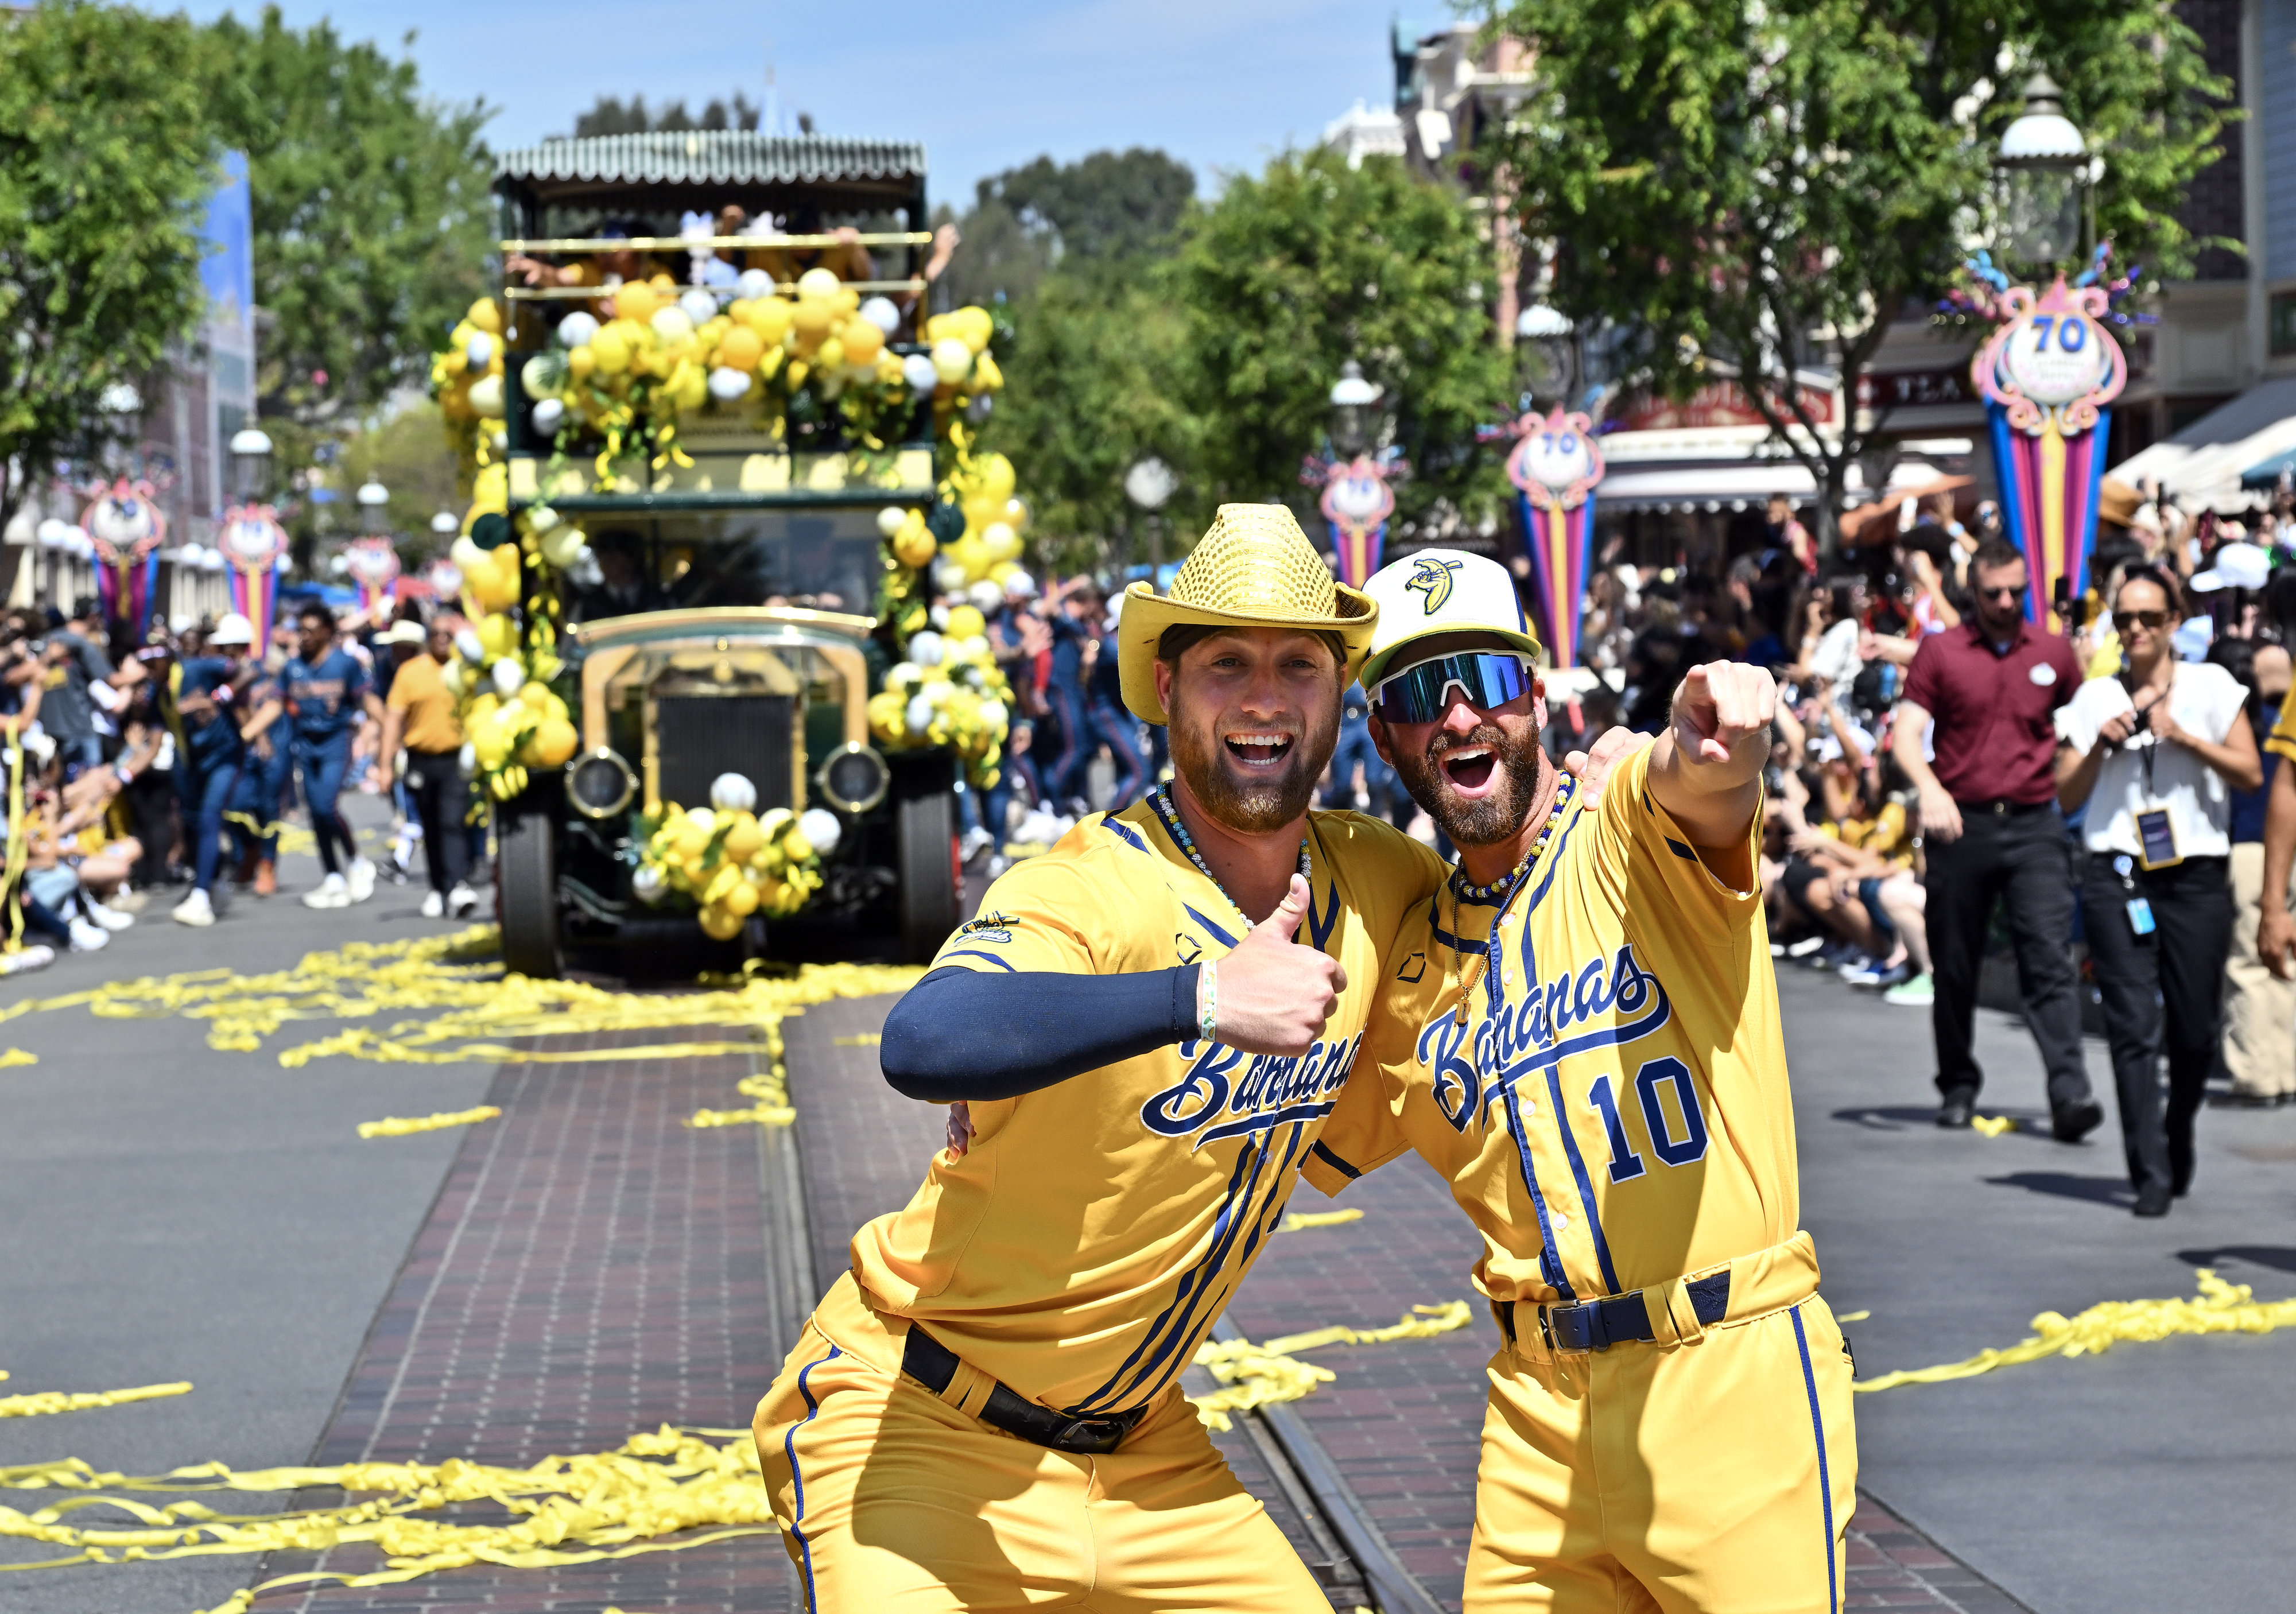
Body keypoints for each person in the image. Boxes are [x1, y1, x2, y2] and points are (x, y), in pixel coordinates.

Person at [748, 505, 1445, 1612]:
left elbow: (1517, 898)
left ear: (1338, 694)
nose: (1264, 695)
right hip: (922, 1427)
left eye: (1298, 665)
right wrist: (1205, 995)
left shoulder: (1382, 877)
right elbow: (925, 1039)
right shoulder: (1085, 884)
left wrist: (1597, 791)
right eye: (1226, 661)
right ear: (1166, 690)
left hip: (1149, 1457)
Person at [1312, 548, 1853, 1613]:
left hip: (1726, 1371)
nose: (1460, 717)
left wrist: (1719, 742)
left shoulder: (1623, 836)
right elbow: (1268, 1140)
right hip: (1536, 1411)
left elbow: (1693, 788)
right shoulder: (1411, 971)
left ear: (1538, 689)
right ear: (1385, 737)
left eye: (1488, 680)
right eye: (1421, 693)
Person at [2054, 567, 2258, 1213]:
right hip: (2118, 871)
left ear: (2173, 621)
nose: (2136, 629)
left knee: (2194, 1029)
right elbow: (2065, 793)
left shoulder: (2211, 685)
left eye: (2148, 618)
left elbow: (2251, 772)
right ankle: (2148, 1169)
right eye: (2124, 619)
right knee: (2132, 1024)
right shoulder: (2092, 698)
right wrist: (2099, 748)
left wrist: (2186, 736)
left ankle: (2176, 1131)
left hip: (2194, 874)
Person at [1889, 539, 2106, 1138]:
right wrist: (1929, 790)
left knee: (2047, 958)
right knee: (1956, 964)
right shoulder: (1942, 651)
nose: (2007, 602)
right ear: (1973, 590)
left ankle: (2069, 1093)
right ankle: (1957, 1082)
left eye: (2016, 591)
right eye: (1993, 593)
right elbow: (1907, 735)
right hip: (1962, 822)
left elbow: (2082, 720)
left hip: (2035, 822)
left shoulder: (2053, 651)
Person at [2209, 639, 2293, 1106]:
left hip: (2250, 847)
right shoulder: (2280, 715)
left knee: (2248, 963)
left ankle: (2257, 1075)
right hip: (2290, 849)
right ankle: (2287, 1070)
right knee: (2286, 961)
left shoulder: (2226, 724)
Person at [379, 616, 479, 920]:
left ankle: (459, 883)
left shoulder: (468, 669)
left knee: (452, 821)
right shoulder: (411, 673)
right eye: (436, 633)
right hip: (421, 759)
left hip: (457, 758)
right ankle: (438, 887)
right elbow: (394, 718)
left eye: (448, 633)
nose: (442, 638)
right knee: (431, 826)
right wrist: (384, 765)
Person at [285, 602, 383, 909]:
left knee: (327, 806)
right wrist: (250, 733)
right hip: (306, 745)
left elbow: (367, 701)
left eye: (311, 630)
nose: (305, 636)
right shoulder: (293, 667)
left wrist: (389, 730)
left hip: (335, 742)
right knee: (315, 813)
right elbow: (277, 704)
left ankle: (355, 859)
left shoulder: (345, 664)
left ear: (327, 632)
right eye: (301, 630)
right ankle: (332, 877)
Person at [168, 612, 259, 928]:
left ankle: (202, 894)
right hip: (193, 760)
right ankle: (215, 879)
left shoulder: (209, 667)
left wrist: (216, 699)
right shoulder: (171, 679)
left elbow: (248, 673)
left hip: (224, 755)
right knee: (193, 822)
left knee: (212, 817)